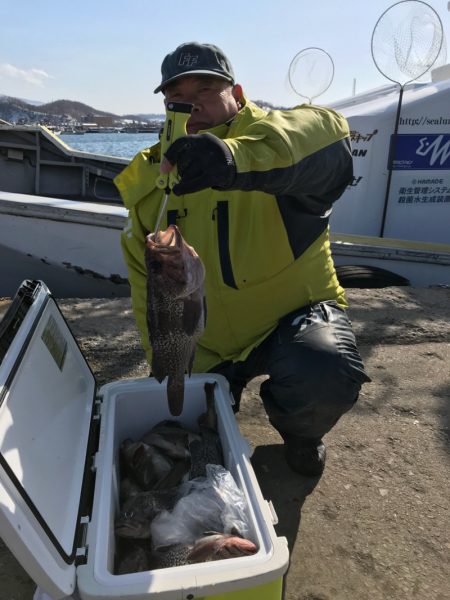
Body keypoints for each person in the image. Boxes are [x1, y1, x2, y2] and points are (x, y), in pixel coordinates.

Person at [114, 42, 370, 477]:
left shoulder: (277, 141)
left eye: (207, 90)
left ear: (239, 92)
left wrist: (233, 158)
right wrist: (164, 358)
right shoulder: (152, 176)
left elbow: (329, 133)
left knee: (322, 372)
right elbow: (146, 289)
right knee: (196, 444)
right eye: (178, 96)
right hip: (207, 342)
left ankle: (302, 435)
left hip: (292, 320)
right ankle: (213, 399)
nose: (192, 104)